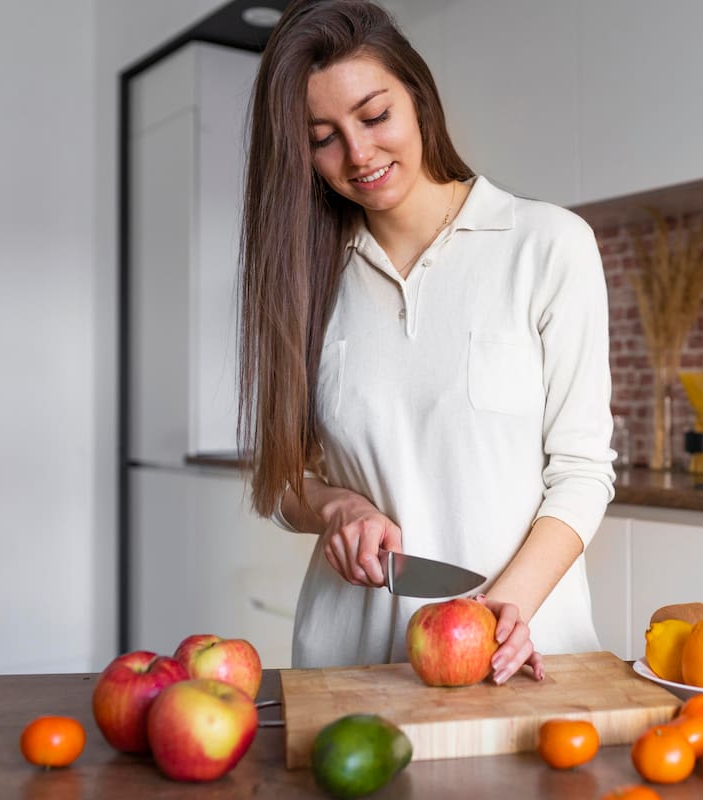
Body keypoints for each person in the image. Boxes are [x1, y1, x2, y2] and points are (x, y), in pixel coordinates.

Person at [237, 0, 615, 684]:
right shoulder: (303, 279)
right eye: (322, 137)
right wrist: (335, 506)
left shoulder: (547, 245)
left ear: (418, 99)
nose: (358, 154)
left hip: (525, 658)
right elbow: (281, 481)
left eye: (374, 115)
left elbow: (583, 473)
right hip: (350, 668)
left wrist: (503, 613)